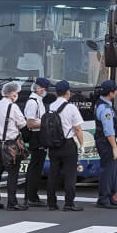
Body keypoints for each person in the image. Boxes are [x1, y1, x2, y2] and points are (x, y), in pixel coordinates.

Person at [46, 80, 85, 211]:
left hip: (53, 145)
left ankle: (51, 203)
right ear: (68, 93)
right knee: (70, 175)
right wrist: (82, 144)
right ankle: (69, 203)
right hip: (68, 144)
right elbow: (78, 128)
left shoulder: (51, 106)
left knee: (53, 173)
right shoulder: (71, 108)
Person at [0, 81, 26, 211]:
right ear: (11, 94)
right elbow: (22, 124)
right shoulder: (13, 107)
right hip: (11, 144)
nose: (17, 95)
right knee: (13, 173)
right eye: (16, 93)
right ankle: (12, 202)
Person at [23, 77, 50, 207]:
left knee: (37, 167)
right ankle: (31, 197)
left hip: (40, 135)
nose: (45, 91)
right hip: (36, 136)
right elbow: (30, 123)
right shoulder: (32, 102)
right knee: (35, 167)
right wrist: (46, 123)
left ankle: (31, 195)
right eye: (43, 89)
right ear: (38, 88)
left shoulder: (38, 101)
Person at [95, 80, 117, 209]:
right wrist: (114, 147)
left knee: (113, 170)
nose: (116, 92)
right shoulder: (105, 108)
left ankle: (111, 195)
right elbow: (108, 131)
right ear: (111, 92)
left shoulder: (104, 104)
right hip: (107, 142)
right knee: (108, 170)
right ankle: (104, 198)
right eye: (115, 90)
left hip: (106, 142)